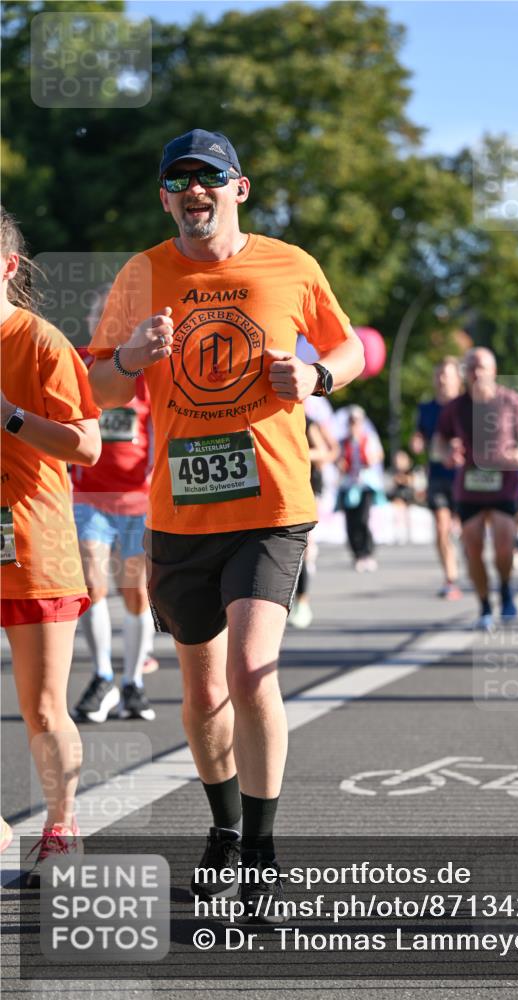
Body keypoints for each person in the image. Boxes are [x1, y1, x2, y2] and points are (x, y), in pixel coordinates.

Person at [86, 129, 364, 918]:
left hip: (272, 507)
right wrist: (133, 358)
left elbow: (350, 350)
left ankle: (265, 853)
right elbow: (100, 389)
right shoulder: (142, 274)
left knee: (249, 672)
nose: (192, 190)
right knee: (202, 694)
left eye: (209, 177)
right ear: (165, 196)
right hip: (180, 511)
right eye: (178, 180)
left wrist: (315, 375)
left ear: (239, 188)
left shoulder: (290, 264)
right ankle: (224, 827)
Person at [0, 207, 101, 885]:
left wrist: (7, 414)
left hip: (32, 542)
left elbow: (86, 444)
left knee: (41, 707)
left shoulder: (38, 342)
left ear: (7, 266)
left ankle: (61, 826)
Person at [71, 285, 157, 724]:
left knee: (136, 595)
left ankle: (132, 684)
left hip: (137, 499)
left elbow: (159, 421)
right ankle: (103, 676)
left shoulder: (141, 367)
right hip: (90, 497)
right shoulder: (79, 363)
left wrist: (156, 469)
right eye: (97, 316)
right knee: (92, 585)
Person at [435, 347, 518, 629]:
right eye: (471, 367)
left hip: (504, 484)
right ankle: (483, 604)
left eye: (482, 367)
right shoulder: (455, 406)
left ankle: (505, 586)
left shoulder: (510, 401)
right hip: (469, 487)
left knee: (504, 546)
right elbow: (439, 441)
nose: (477, 372)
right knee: (473, 549)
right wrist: (447, 454)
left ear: (494, 370)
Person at [411, 358, 463, 597]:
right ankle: (450, 579)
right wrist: (417, 443)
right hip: (438, 476)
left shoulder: (467, 407)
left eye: (447, 375)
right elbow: (419, 437)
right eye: (439, 374)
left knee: (471, 531)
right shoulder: (426, 409)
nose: (442, 379)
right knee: (442, 528)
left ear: (457, 379)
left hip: (465, 478)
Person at [288, 415, 339, 628]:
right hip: (281, 485)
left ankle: (303, 602)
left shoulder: (307, 421)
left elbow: (327, 451)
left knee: (304, 545)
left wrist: (297, 452)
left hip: (307, 486)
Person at [337, 405, 385, 571]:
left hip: (365, 484)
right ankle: (357, 554)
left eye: (356, 421)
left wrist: (370, 458)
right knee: (351, 522)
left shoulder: (369, 438)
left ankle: (367, 552)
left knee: (363, 519)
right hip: (349, 486)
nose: (353, 425)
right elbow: (339, 462)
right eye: (351, 421)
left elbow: (378, 455)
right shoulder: (343, 442)